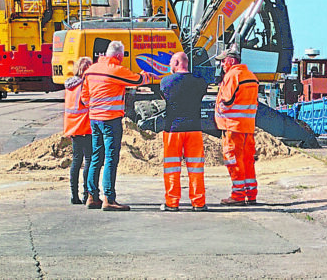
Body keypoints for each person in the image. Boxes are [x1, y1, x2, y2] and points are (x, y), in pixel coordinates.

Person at [82, 40, 151, 211]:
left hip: (94, 119)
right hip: (110, 120)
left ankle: (92, 196)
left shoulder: (91, 70)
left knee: (96, 156)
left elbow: (84, 98)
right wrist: (149, 74)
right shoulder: (116, 70)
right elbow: (138, 80)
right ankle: (109, 198)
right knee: (111, 158)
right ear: (119, 56)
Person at [159, 51, 209, 212]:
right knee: (196, 168)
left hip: (172, 130)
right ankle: (198, 202)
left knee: (172, 168)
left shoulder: (166, 82)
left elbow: (164, 97)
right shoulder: (200, 82)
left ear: (175, 64)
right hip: (194, 129)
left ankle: (172, 202)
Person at [214, 45, 259, 205]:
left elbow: (227, 101)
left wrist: (219, 110)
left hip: (232, 127)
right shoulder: (251, 76)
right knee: (247, 160)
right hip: (248, 126)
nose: (221, 65)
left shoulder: (232, 76)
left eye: (223, 61)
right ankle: (251, 193)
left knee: (233, 160)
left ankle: (238, 195)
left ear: (231, 61)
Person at [63, 56, 93, 205]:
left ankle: (74, 195)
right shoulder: (84, 85)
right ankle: (86, 193)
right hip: (85, 127)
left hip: (73, 128)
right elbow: (89, 103)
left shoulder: (70, 86)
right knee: (89, 160)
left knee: (76, 161)